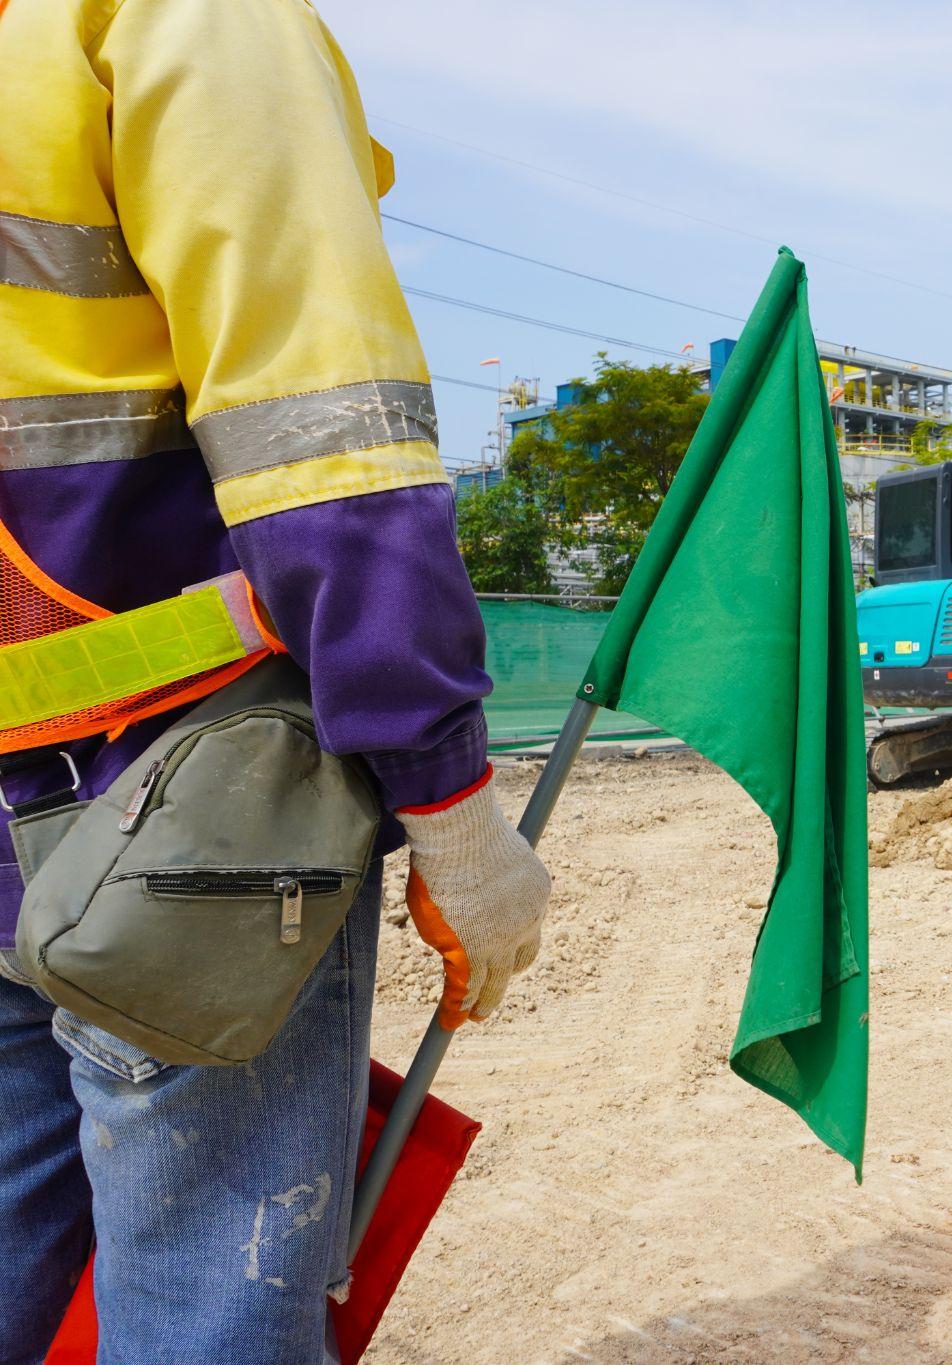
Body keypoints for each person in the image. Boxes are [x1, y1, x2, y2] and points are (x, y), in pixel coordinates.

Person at [0, 0, 552, 1358]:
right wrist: (452, 799)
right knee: (210, 1303)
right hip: (186, 820)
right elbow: (326, 453)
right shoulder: (188, 16)